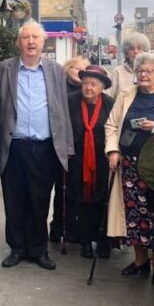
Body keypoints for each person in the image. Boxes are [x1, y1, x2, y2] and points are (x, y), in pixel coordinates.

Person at [0, 20, 74, 270]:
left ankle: (38, 249)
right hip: (14, 145)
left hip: (44, 146)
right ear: (18, 42)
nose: (30, 42)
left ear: (43, 42)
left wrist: (66, 147)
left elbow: (63, 110)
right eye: (25, 37)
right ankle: (17, 248)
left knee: (40, 200)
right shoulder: (2, 70)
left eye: (35, 37)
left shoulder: (56, 71)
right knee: (14, 199)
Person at [105, 52, 154, 284]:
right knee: (133, 214)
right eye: (140, 71)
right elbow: (112, 125)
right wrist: (113, 150)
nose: (144, 75)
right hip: (129, 165)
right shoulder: (126, 95)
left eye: (149, 71)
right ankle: (140, 260)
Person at [65, 65, 115, 258]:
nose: (88, 88)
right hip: (76, 159)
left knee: (103, 199)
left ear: (102, 87)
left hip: (103, 160)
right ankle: (84, 240)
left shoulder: (110, 104)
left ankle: (103, 240)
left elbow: (116, 128)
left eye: (93, 84)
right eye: (85, 83)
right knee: (80, 199)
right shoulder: (71, 101)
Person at [49, 55, 91, 242]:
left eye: (84, 69)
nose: (80, 73)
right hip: (60, 146)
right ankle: (57, 228)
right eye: (76, 68)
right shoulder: (59, 87)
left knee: (78, 190)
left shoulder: (87, 90)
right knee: (61, 189)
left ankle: (75, 229)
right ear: (68, 68)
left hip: (82, 148)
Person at [106, 32, 149, 98]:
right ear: (126, 52)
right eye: (132, 48)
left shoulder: (152, 71)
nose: (136, 52)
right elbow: (107, 97)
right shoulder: (117, 72)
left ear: (145, 51)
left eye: (139, 48)